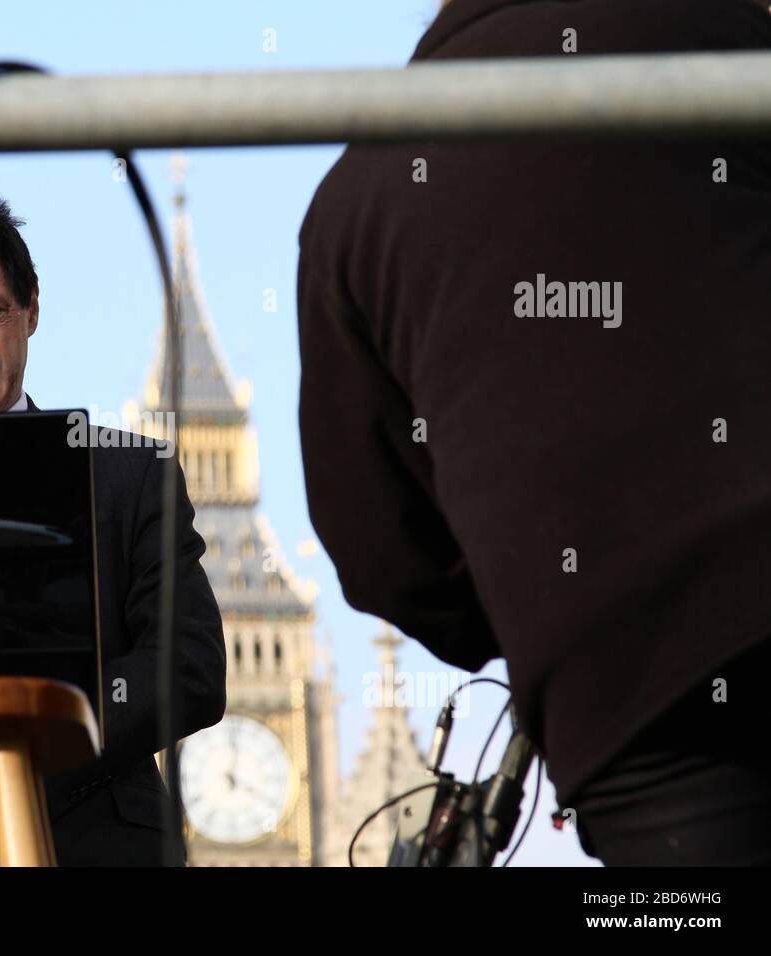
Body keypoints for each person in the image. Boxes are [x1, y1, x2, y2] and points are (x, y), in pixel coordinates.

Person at [297, 0, 771, 865]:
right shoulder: (733, 53)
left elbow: (381, 555)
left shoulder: (354, 200)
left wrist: (534, 604)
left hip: (636, 728)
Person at [0, 197, 226, 865]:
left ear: (32, 309)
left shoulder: (131, 475)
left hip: (96, 840)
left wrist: (27, 762)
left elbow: (189, 669)